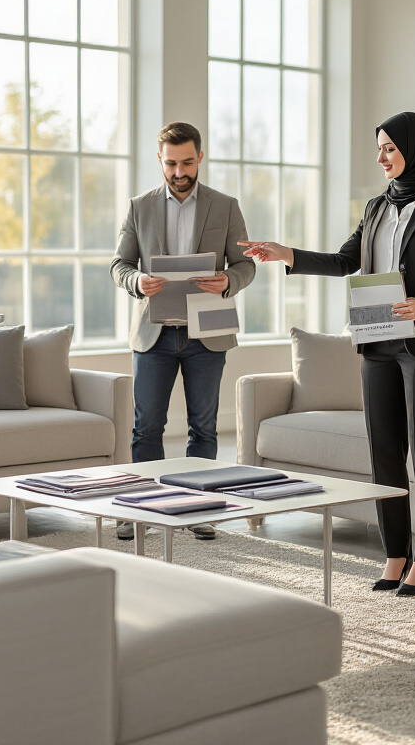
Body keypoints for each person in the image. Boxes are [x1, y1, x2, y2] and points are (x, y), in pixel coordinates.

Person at [240, 111, 415, 594]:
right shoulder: (377, 207)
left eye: (390, 149)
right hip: (377, 337)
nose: (381, 158)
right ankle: (396, 552)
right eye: (380, 149)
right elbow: (346, 260)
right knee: (384, 453)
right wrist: (286, 254)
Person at [110, 121, 256, 541]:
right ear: (160, 160)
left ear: (200, 158)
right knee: (146, 427)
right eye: (171, 163)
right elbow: (119, 265)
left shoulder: (225, 206)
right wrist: (137, 282)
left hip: (206, 334)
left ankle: (199, 507)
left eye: (187, 162)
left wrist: (229, 281)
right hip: (154, 334)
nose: (179, 172)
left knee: (204, 427)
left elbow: (246, 265)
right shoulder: (139, 207)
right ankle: (141, 509)